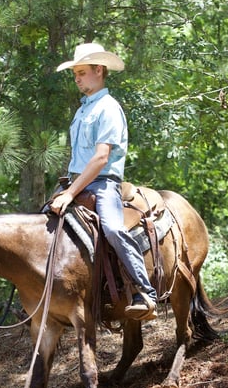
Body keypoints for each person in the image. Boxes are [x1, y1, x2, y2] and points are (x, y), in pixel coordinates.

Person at [49, 42, 157, 321]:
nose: (77, 78)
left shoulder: (108, 108)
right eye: (75, 73)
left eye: (82, 72)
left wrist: (70, 194)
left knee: (112, 229)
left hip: (102, 183)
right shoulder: (83, 109)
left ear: (99, 70)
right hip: (75, 182)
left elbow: (100, 159)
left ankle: (145, 292)